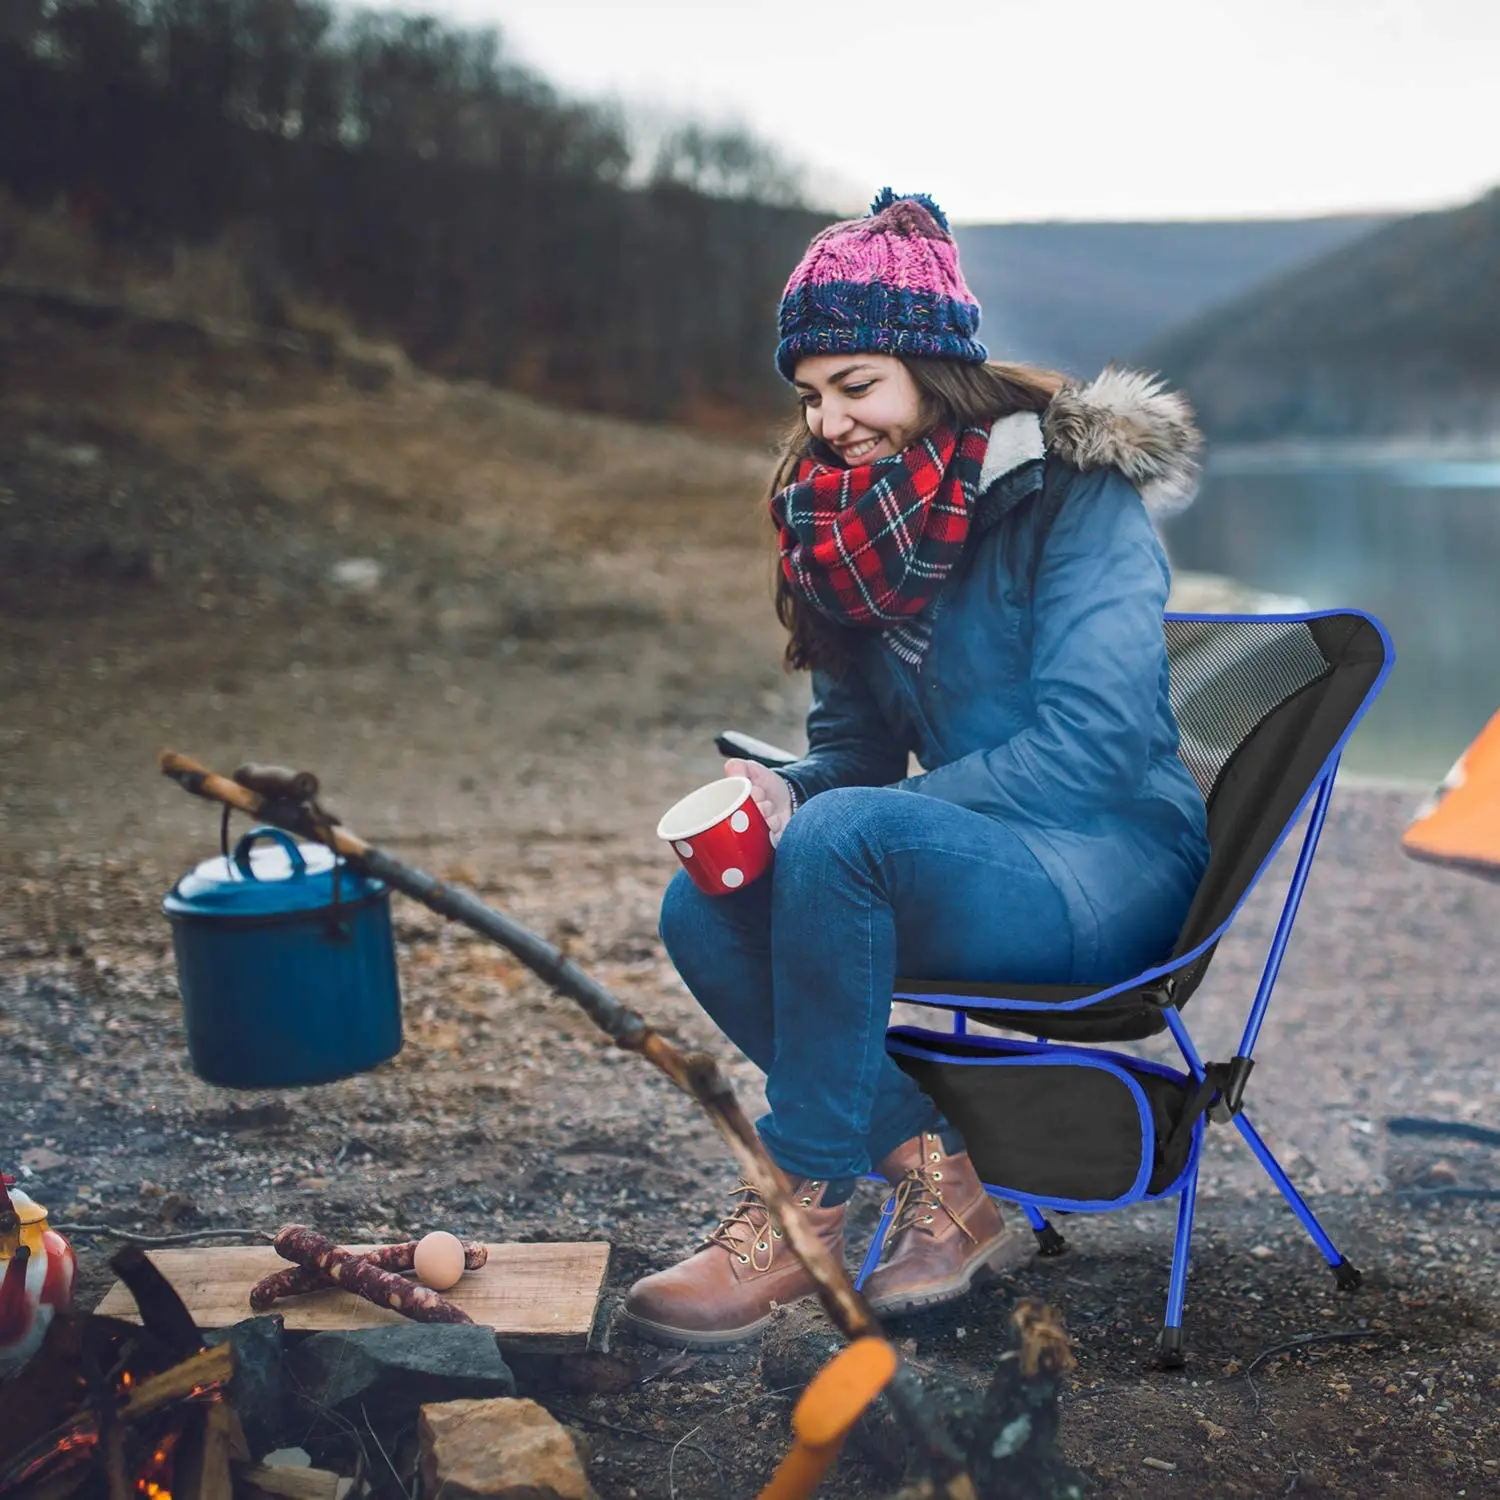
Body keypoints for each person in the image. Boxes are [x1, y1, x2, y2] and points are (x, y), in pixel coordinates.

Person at [619, 189, 1212, 1348]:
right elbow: (853, 750)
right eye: (811, 394)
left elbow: (1091, 748)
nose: (829, 422)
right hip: (969, 857)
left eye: (857, 387)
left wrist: (863, 817)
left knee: (848, 839)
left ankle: (803, 1212)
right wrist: (790, 790)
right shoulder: (843, 526)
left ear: (935, 374)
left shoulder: (1074, 495)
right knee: (706, 904)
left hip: (1110, 862)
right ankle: (949, 1184)